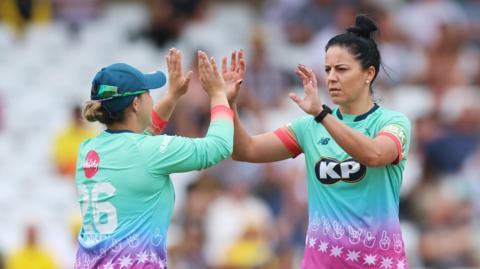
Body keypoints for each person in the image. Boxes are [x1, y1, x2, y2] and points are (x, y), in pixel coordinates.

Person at [225, 15, 412, 268]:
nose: (332, 77)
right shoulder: (308, 128)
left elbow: (375, 155)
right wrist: (229, 104)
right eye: (327, 69)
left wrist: (321, 115)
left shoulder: (392, 122)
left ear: (369, 73)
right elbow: (244, 150)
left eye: (342, 69)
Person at [74, 48, 234, 268]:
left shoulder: (87, 150)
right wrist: (218, 94)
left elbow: (142, 138)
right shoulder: (147, 151)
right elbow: (219, 147)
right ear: (136, 104)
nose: (152, 97)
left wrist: (173, 95)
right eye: (147, 92)